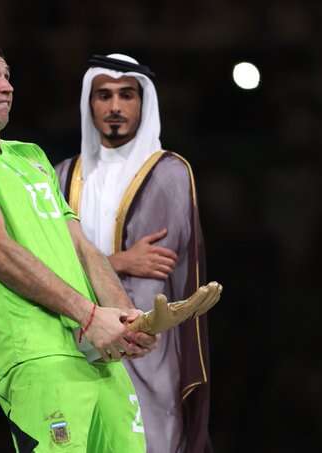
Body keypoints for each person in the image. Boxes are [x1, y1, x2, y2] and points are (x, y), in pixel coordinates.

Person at [0, 41, 157, 452]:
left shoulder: (31, 157)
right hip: (36, 354)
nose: (7, 86)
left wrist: (124, 318)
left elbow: (82, 247)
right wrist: (89, 315)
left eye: (7, 76)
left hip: (95, 351)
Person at [55, 54, 213, 453]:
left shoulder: (169, 173)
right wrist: (121, 260)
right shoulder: (61, 176)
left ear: (144, 102)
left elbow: (153, 273)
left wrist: (93, 269)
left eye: (126, 95)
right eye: (103, 95)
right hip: (74, 340)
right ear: (89, 103)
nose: (114, 107)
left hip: (147, 347)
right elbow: (45, 265)